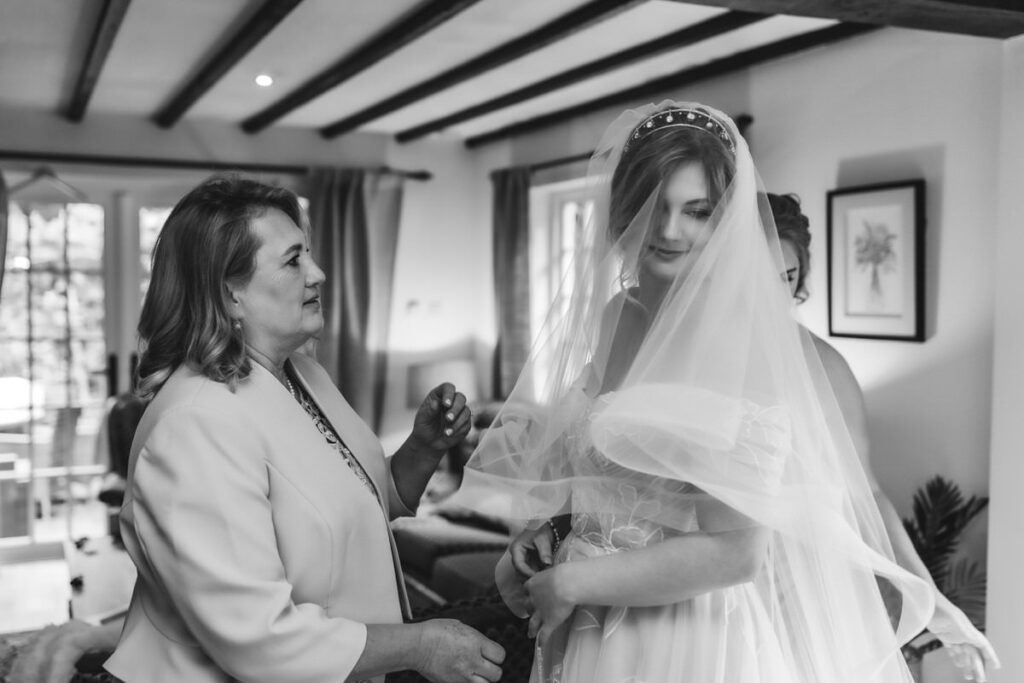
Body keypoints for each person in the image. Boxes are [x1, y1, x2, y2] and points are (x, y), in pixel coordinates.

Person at [451, 101, 935, 682]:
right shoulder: (617, 315)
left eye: (696, 211)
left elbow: (738, 552)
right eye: (654, 205)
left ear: (726, 221)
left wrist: (576, 581)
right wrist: (549, 533)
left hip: (681, 639)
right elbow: (606, 478)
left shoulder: (740, 339)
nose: (668, 230)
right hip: (588, 629)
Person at [95, 175, 504, 683]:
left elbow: (352, 509)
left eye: (308, 254)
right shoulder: (194, 425)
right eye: (293, 261)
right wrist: (420, 645)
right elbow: (257, 637)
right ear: (229, 294)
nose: (318, 273)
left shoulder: (302, 374)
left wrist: (423, 448)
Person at [770, 191, 1000, 682]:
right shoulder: (681, 354)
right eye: (760, 276)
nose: (776, 294)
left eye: (787, 277)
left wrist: (934, 604)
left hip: (802, 588)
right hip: (701, 578)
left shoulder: (824, 367)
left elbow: (866, 493)